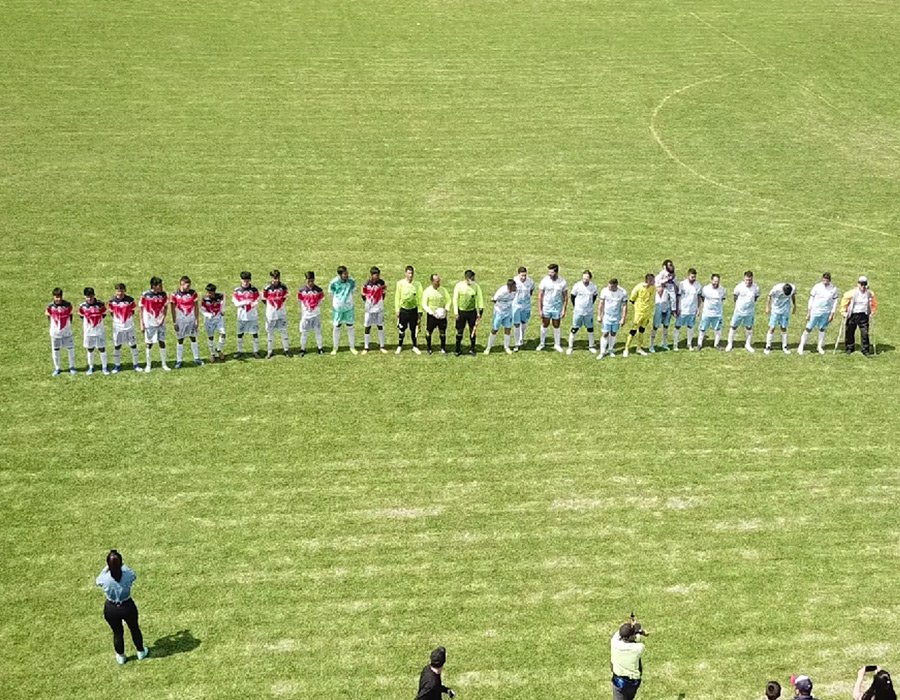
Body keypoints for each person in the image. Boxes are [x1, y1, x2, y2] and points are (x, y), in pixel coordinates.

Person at [96, 550, 149, 665]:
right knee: (134, 628)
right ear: (121, 563)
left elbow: (97, 581)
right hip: (127, 606)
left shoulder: (104, 578)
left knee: (117, 632)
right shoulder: (127, 575)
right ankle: (140, 651)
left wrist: (108, 567)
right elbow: (133, 574)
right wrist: (120, 564)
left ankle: (121, 656)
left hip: (111, 608)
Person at [798, 272, 838, 356]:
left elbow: (835, 301)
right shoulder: (817, 287)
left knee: (822, 329)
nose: (825, 281)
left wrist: (832, 313)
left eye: (826, 280)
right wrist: (809, 312)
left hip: (826, 312)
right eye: (824, 279)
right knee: (809, 328)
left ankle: (819, 346)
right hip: (815, 311)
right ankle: (801, 346)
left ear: (829, 280)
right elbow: (811, 299)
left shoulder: (833, 288)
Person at [171, 275, 204, 369]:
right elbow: (172, 309)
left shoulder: (193, 293)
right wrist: (174, 322)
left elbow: (196, 306)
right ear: (181, 284)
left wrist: (197, 319)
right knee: (180, 339)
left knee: (193, 337)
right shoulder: (174, 294)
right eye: (187, 286)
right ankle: (179, 360)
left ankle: (197, 358)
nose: (188, 288)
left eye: (189, 286)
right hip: (180, 320)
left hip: (191, 319)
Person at [610, 619, 648, 700]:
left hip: (619, 682)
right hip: (633, 682)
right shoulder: (638, 648)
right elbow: (637, 639)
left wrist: (633, 629)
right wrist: (638, 630)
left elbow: (619, 634)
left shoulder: (614, 642)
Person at [108, 284, 142, 373]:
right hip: (117, 328)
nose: (120, 293)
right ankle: (117, 365)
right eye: (118, 291)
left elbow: (133, 311)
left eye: (122, 290)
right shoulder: (112, 301)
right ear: (115, 291)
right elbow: (111, 312)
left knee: (133, 345)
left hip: (129, 327)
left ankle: (136, 365)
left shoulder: (130, 300)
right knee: (117, 346)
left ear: (125, 290)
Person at [140, 277, 170, 372]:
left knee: (162, 342)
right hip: (149, 323)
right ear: (153, 286)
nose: (161, 287)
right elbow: (141, 309)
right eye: (159, 285)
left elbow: (166, 307)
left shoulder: (163, 294)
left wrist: (163, 318)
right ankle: (148, 365)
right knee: (149, 344)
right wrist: (142, 323)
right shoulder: (146, 295)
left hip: (160, 322)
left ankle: (164, 364)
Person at [726, 270, 760, 352]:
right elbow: (735, 296)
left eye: (750, 280)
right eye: (747, 280)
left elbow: (756, 297)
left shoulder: (756, 287)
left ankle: (748, 344)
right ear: (744, 279)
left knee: (749, 327)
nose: (748, 282)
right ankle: (730, 344)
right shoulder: (739, 287)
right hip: (739, 311)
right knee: (733, 326)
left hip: (749, 312)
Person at [842, 276, 877, 356]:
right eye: (861, 284)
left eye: (864, 284)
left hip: (863, 315)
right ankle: (849, 348)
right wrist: (843, 311)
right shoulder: (851, 293)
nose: (863, 286)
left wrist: (872, 311)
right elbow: (844, 301)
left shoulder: (869, 293)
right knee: (850, 332)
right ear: (858, 284)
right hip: (853, 315)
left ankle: (865, 350)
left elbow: (873, 303)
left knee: (865, 333)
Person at [452, 269, 484, 356]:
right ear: (466, 278)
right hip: (461, 312)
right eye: (472, 279)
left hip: (471, 312)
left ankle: (472, 348)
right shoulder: (459, 286)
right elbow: (455, 299)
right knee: (459, 331)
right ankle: (457, 349)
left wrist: (480, 309)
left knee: (472, 330)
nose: (473, 280)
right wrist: (456, 312)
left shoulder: (476, 286)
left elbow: (479, 298)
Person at [537, 263, 568, 352]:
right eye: (549, 272)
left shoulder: (562, 282)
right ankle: (542, 343)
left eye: (551, 272)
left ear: (556, 272)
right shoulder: (544, 281)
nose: (549, 274)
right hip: (546, 307)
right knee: (545, 324)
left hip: (557, 307)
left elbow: (565, 297)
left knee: (556, 325)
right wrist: (540, 309)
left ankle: (557, 344)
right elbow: (540, 296)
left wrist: (564, 310)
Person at [46, 287, 77, 376]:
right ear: (53, 297)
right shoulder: (50, 306)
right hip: (55, 333)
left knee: (70, 349)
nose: (58, 299)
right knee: (56, 350)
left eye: (59, 297)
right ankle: (57, 368)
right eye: (56, 297)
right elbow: (48, 316)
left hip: (67, 332)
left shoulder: (68, 305)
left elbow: (70, 316)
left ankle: (72, 367)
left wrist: (67, 326)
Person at [79, 287, 109, 375]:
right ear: (85, 297)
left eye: (91, 296)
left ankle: (104, 367)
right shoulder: (83, 306)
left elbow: (104, 314)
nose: (90, 298)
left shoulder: (100, 304)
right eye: (87, 296)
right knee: (90, 349)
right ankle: (91, 367)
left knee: (102, 348)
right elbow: (81, 316)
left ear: (94, 295)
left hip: (99, 331)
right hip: (89, 332)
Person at [624, 274, 655, 358]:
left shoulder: (652, 288)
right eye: (652, 280)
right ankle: (626, 348)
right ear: (648, 280)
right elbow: (632, 299)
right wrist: (638, 308)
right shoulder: (638, 287)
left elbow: (650, 298)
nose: (654, 282)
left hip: (646, 312)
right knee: (633, 330)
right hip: (639, 313)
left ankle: (639, 348)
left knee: (642, 330)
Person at [568, 270, 598, 355]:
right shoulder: (577, 286)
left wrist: (590, 305)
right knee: (574, 329)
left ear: (590, 278)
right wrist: (576, 306)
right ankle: (570, 347)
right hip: (578, 311)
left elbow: (595, 296)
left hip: (588, 312)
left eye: (587, 278)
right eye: (584, 278)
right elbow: (572, 296)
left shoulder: (593, 287)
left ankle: (591, 346)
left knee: (590, 329)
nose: (585, 280)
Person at [329, 265, 358, 355]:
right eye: (345, 274)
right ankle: (335, 348)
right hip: (338, 309)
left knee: (350, 326)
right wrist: (336, 304)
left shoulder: (351, 281)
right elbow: (331, 293)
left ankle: (352, 347)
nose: (347, 275)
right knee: (337, 327)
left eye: (347, 273)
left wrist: (348, 301)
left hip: (349, 308)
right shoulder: (334, 283)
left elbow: (353, 291)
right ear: (340, 274)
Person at [263, 269, 291, 359]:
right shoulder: (267, 287)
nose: (276, 280)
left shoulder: (283, 286)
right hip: (271, 313)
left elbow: (286, 296)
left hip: (281, 313)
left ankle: (286, 349)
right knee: (270, 332)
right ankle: (269, 351)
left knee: (284, 330)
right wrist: (271, 307)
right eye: (274, 278)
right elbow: (263, 298)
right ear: (271, 278)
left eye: (278, 278)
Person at [596, 278, 628, 359]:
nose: (609, 288)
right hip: (607, 316)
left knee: (613, 333)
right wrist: (599, 315)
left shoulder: (622, 292)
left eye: (611, 287)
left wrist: (623, 318)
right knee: (605, 333)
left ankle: (610, 349)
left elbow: (624, 306)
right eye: (608, 286)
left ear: (615, 286)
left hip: (616, 317)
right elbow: (601, 304)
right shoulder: (604, 291)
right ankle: (602, 352)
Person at [232, 271, 261, 359]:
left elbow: (258, 299)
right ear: (241, 280)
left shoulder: (254, 290)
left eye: (247, 280)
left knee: (255, 333)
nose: (245, 282)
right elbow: (235, 303)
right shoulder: (237, 290)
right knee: (240, 333)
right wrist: (244, 302)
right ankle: (239, 351)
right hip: (241, 316)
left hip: (252, 315)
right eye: (244, 280)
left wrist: (254, 303)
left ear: (250, 280)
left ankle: (256, 351)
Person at [395, 265, 423, 355]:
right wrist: (397, 309)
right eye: (409, 273)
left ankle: (415, 346)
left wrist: (420, 311)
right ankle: (400, 346)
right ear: (405, 273)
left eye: (412, 273)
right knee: (402, 328)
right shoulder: (400, 283)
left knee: (413, 328)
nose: (410, 275)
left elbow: (420, 298)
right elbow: (397, 297)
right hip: (403, 310)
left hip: (413, 310)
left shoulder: (417, 284)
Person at [485, 279, 517, 354]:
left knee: (508, 328)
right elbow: (493, 299)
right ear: (510, 287)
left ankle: (506, 347)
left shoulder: (515, 291)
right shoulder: (501, 291)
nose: (515, 288)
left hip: (508, 312)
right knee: (495, 329)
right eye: (514, 286)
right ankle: (488, 347)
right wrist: (500, 306)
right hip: (499, 312)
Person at [297, 271, 325, 356]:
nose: (310, 283)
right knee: (304, 333)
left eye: (312, 281)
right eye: (308, 281)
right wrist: (306, 308)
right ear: (305, 280)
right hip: (306, 315)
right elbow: (299, 300)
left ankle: (320, 348)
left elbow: (321, 300)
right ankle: (302, 349)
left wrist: (314, 307)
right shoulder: (301, 291)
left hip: (315, 315)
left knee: (318, 332)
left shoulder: (319, 290)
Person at [362, 266, 388, 355]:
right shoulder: (366, 284)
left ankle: (382, 346)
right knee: (367, 327)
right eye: (375, 275)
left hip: (379, 309)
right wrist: (369, 303)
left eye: (378, 275)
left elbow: (384, 294)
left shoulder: (382, 283)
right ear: (371, 275)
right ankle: (366, 347)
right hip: (369, 309)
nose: (377, 277)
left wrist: (378, 303)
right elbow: (363, 295)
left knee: (380, 326)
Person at [422, 274, 451, 355]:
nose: (438, 283)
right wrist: (431, 312)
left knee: (442, 331)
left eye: (439, 281)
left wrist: (446, 309)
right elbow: (424, 304)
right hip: (432, 316)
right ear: (432, 281)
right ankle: (428, 348)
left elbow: (448, 300)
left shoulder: (443, 290)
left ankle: (443, 348)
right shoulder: (427, 291)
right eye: (437, 281)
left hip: (441, 315)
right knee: (429, 331)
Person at [764, 282, 796, 354]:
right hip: (776, 310)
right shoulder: (776, 289)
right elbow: (769, 296)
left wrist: (794, 306)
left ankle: (784, 346)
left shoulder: (793, 288)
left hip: (785, 310)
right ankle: (768, 346)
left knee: (783, 328)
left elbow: (793, 296)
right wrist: (767, 307)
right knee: (772, 328)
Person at [673, 268, 701, 351]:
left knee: (690, 326)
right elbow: (678, 297)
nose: (693, 279)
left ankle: (689, 344)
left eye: (694, 277)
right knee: (678, 326)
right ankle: (675, 344)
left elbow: (699, 297)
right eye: (692, 277)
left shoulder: (698, 285)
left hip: (692, 310)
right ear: (688, 276)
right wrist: (677, 308)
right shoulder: (682, 284)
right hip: (683, 310)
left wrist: (698, 308)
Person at [697, 273, 727, 351]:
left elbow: (722, 299)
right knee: (702, 328)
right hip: (707, 313)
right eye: (714, 281)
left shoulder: (722, 290)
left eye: (717, 281)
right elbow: (702, 298)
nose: (715, 283)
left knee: (718, 329)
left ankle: (716, 344)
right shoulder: (705, 289)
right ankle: (699, 344)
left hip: (717, 313)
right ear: (711, 280)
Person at [200, 283, 227, 362]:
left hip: (218, 319)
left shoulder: (220, 296)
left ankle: (219, 349)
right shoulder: (205, 299)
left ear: (214, 292)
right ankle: (212, 354)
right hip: (209, 320)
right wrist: (208, 315)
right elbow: (202, 309)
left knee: (223, 334)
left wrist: (222, 310)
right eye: (207, 292)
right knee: (211, 337)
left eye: (210, 292)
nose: (208, 294)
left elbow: (223, 301)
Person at [512, 266, 535, 350]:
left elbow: (531, 290)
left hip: (526, 306)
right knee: (517, 324)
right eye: (522, 275)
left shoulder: (530, 281)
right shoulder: (514, 281)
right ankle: (517, 343)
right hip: (516, 305)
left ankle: (521, 337)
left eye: (525, 275)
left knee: (524, 323)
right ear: (518, 274)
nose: (523, 277)